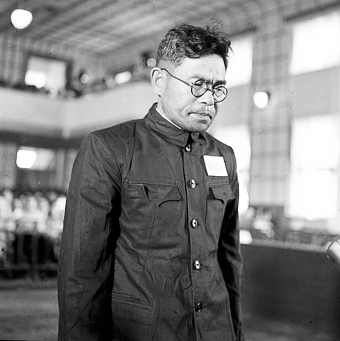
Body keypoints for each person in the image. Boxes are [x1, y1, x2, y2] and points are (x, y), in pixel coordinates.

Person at [57, 22, 244, 341]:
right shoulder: (110, 148)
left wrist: (235, 333)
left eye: (217, 88)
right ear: (159, 80)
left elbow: (229, 261)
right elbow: (82, 272)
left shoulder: (224, 156)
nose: (209, 99)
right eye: (198, 84)